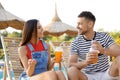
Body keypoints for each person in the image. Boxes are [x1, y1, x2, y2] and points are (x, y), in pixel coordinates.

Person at [68, 11, 120, 80]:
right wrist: (86, 62)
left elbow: (118, 51)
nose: (77, 26)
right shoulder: (75, 42)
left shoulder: (104, 36)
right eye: (77, 24)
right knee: (71, 71)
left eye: (80, 24)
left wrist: (103, 50)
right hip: (87, 76)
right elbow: (71, 64)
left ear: (90, 24)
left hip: (106, 74)